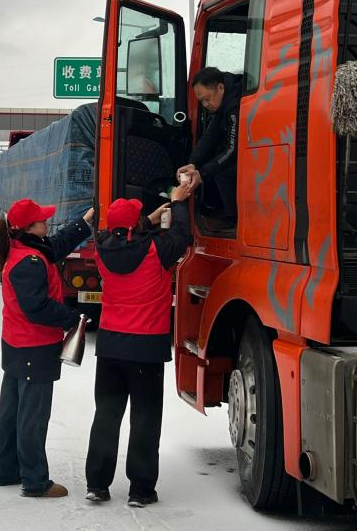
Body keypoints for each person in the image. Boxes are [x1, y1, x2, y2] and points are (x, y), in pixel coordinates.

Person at [85, 184, 191, 507]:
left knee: (107, 414)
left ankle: (98, 484)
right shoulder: (157, 250)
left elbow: (125, 234)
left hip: (111, 347)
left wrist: (145, 220)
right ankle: (141, 490)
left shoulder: (102, 249)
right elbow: (182, 236)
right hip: (146, 349)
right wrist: (177, 202)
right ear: (135, 225)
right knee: (144, 418)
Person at [0, 199, 94, 498]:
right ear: (30, 227)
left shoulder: (25, 249)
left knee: (12, 411)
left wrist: (84, 222)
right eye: (42, 220)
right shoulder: (29, 262)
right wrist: (74, 318)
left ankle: (6, 469)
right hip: (34, 345)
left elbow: (55, 246)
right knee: (32, 416)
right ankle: (35, 480)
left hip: (16, 344)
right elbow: (37, 307)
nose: (47, 223)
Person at [178, 66, 242, 231]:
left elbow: (232, 149)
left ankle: (233, 220)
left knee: (222, 172)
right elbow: (209, 138)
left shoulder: (235, 105)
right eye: (202, 102)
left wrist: (203, 173)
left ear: (220, 87)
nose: (206, 105)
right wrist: (193, 163)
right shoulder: (222, 104)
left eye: (207, 99)